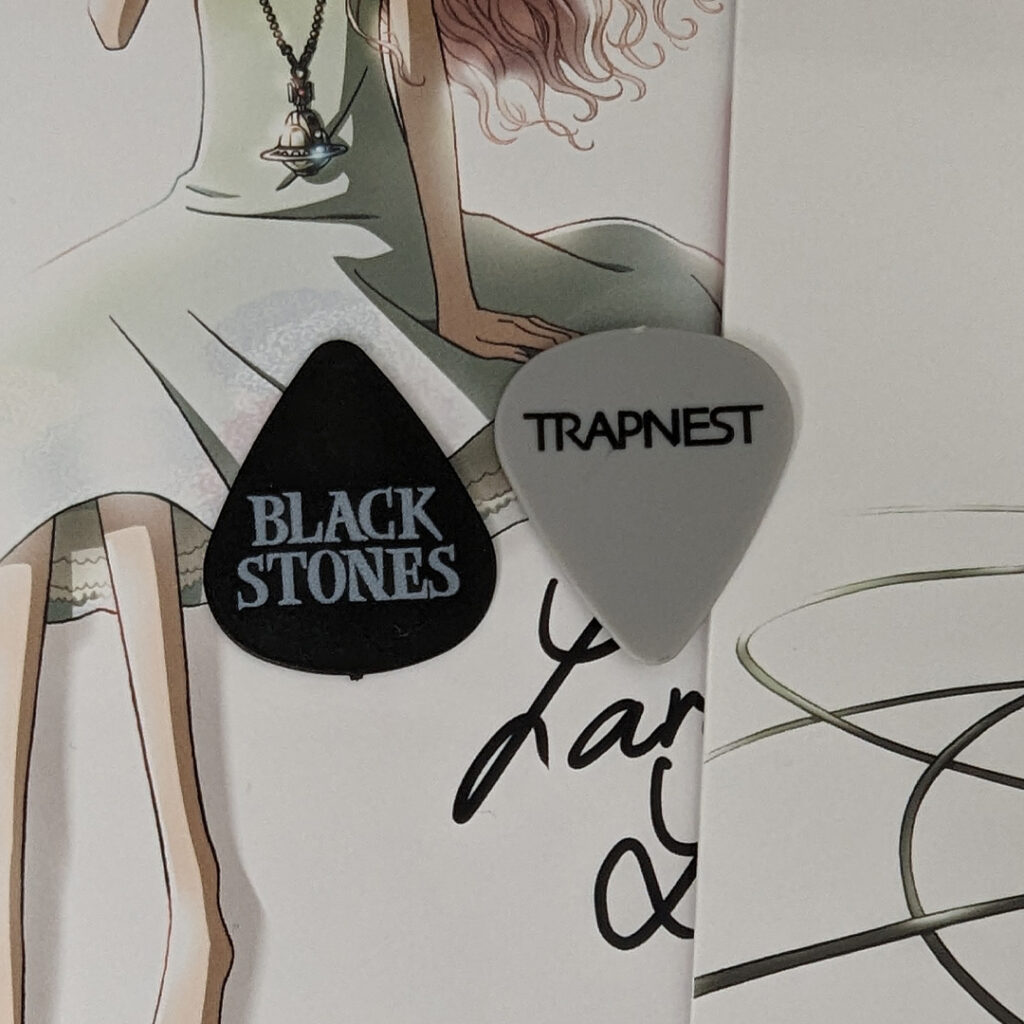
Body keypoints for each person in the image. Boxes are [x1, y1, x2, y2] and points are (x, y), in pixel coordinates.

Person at [0, 0, 723, 1020]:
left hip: (361, 242)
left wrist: (457, 299)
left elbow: (421, 97)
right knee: (36, 392)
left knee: (114, 393)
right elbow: (111, 31)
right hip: (212, 224)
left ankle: (194, 911)